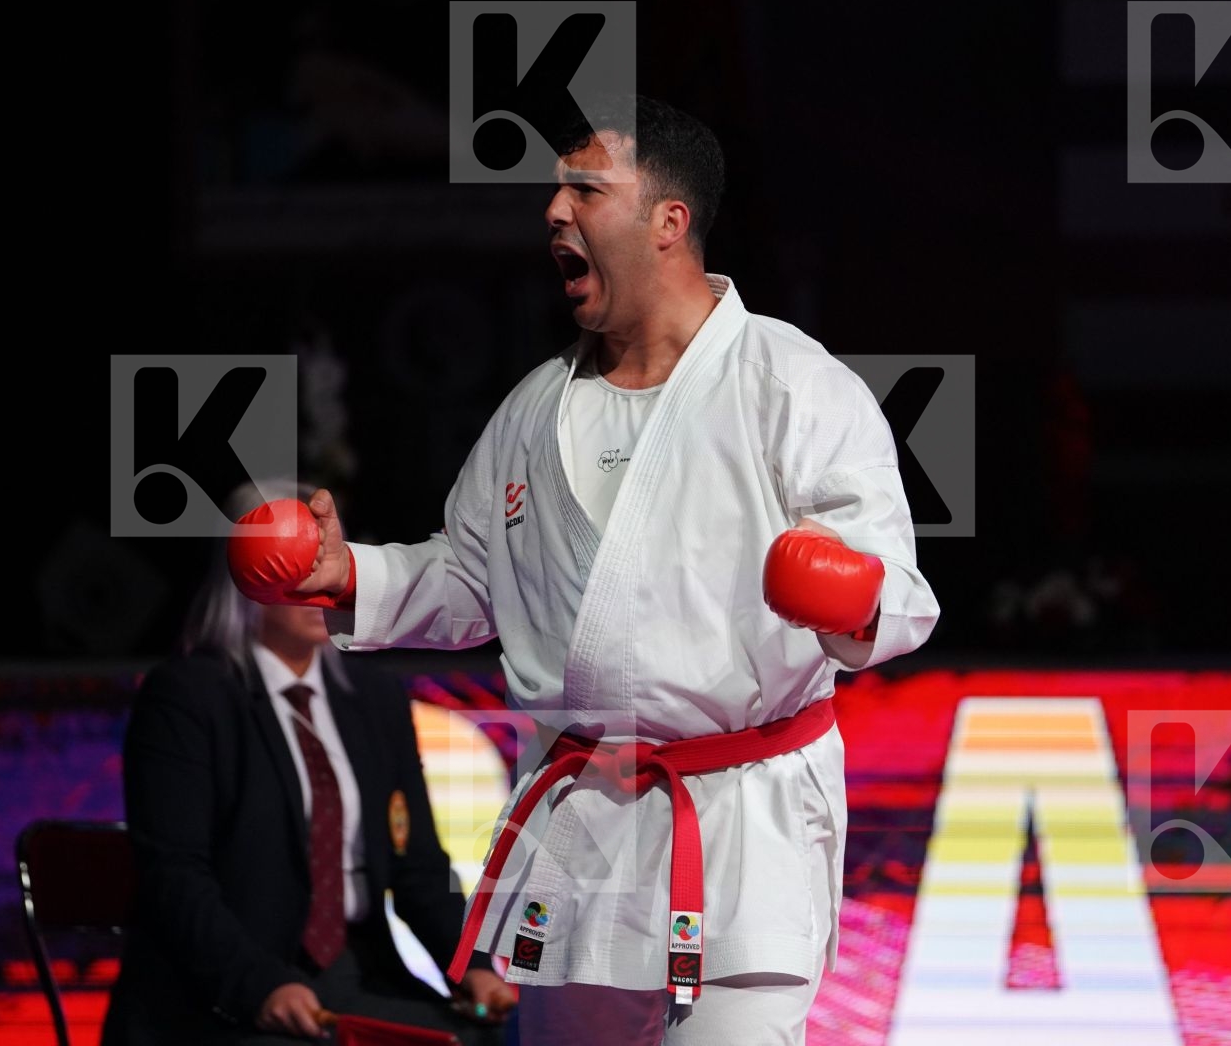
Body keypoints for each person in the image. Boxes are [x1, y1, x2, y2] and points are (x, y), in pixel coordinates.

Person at [231, 98, 940, 1044]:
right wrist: (348, 573)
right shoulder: (533, 409)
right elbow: (473, 580)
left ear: (669, 221)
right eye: (555, 193)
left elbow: (900, 593)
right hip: (585, 831)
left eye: (585, 189)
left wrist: (848, 594)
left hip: (739, 829)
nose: (554, 212)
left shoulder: (790, 384)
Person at [103, 484, 514, 1045]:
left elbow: (416, 866)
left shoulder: (375, 701)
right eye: (297, 558)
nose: (319, 581)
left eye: (327, 559)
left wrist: (475, 966)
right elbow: (175, 878)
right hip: (224, 993)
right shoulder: (188, 697)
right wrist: (261, 986)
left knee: (482, 1038)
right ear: (249, 572)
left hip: (353, 973)